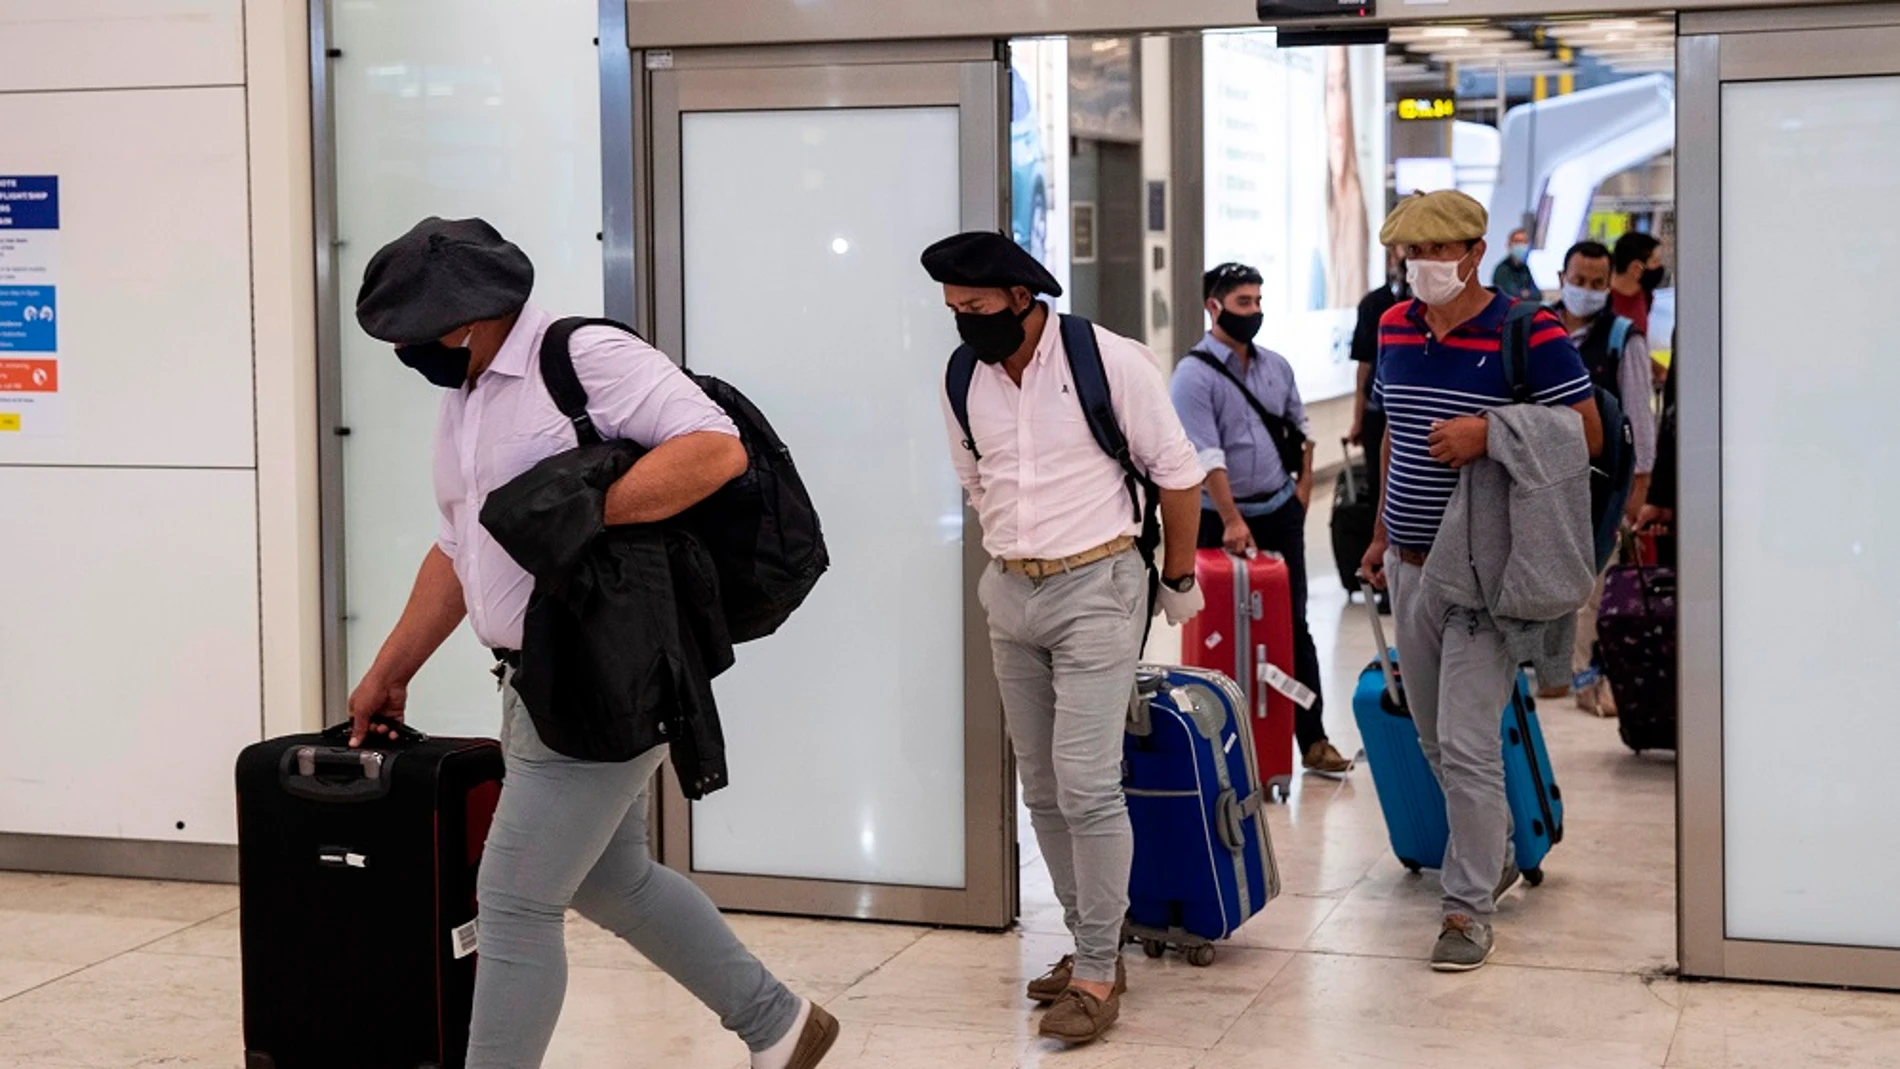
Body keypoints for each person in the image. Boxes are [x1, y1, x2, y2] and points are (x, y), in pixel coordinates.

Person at [349, 217, 838, 1069]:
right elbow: (455, 546)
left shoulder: (581, 360)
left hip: (605, 665)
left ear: (468, 317)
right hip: (530, 675)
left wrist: (582, 512)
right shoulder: (461, 400)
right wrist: (391, 669)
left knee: (511, 902)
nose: (407, 354)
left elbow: (715, 449)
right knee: (613, 879)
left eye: (413, 336)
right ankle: (780, 1022)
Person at [923, 230, 1205, 1045]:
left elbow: (1177, 476)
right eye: (952, 311)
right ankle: (1096, 944)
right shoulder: (959, 376)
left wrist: (1177, 580)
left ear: (1020, 298)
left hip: (1099, 584)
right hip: (1010, 590)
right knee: (1042, 786)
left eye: (975, 309)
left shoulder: (1106, 360)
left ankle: (1092, 970)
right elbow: (975, 480)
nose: (964, 326)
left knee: (1086, 782)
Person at [1360, 191, 1603, 972]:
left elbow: (1585, 434)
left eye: (1435, 253)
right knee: (1432, 735)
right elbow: (1395, 425)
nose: (1420, 269)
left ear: (1473, 250)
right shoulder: (1394, 324)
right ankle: (1490, 848)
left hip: (1482, 571)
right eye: (1408, 256)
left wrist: (1490, 431)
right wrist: (1380, 534)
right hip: (1409, 562)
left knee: (1466, 743)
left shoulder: (1528, 329)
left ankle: (1465, 906)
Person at [1171, 262, 1351, 776]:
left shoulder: (1276, 366)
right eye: (1243, 302)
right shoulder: (1193, 376)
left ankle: (1312, 739)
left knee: (1292, 623)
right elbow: (1206, 457)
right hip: (1219, 520)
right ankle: (1218, 744)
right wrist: (1230, 519)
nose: (1255, 311)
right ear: (1214, 307)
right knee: (1217, 628)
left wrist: (1302, 488)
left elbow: (1301, 426)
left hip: (1278, 510)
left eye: (1258, 301)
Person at [1551, 241, 1658, 715]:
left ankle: (1589, 679)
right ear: (1562, 277)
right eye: (1579, 281)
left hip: (1601, 488)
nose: (1587, 291)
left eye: (1598, 284)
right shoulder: (1535, 329)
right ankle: (1548, 669)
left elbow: (1640, 418)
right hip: (1539, 485)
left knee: (1592, 589)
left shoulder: (1622, 338)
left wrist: (1637, 494)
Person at [1349, 247, 1408, 495]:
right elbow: (1364, 366)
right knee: (1378, 484)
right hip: (1379, 411)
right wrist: (1357, 419)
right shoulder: (1374, 305)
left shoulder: (1440, 306)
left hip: (1420, 416)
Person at [1610, 232, 1663, 335]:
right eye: (1655, 262)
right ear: (1636, 268)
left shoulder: (1646, 295)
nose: (1659, 267)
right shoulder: (1602, 302)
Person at [1490, 228, 1539, 301]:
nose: (1521, 245)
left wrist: (1525, 294)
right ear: (1509, 244)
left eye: (1524, 242)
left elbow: (1538, 295)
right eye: (1517, 242)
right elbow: (1511, 295)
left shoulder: (1524, 269)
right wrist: (1525, 293)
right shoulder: (1502, 270)